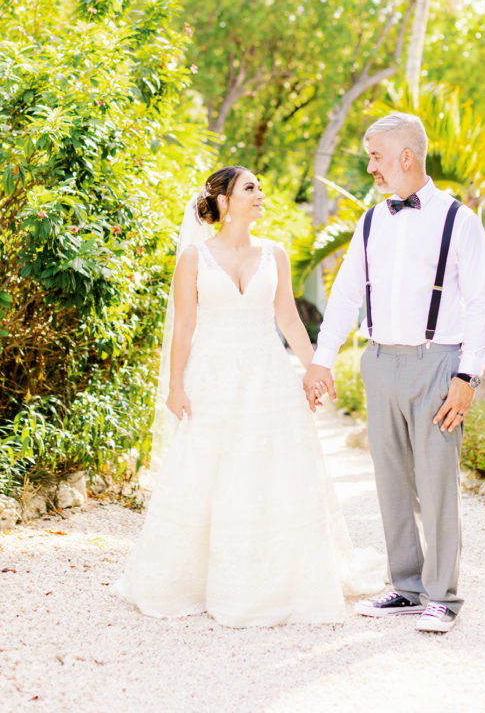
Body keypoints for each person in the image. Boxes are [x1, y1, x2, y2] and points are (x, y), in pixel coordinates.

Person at [115, 165, 383, 627]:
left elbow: (289, 320)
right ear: (223, 200)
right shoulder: (194, 259)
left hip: (268, 377)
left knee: (273, 474)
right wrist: (176, 386)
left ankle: (277, 579)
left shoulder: (275, 254)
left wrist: (315, 367)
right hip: (213, 380)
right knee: (209, 477)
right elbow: (184, 327)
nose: (261, 194)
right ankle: (203, 580)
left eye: (260, 185)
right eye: (250, 187)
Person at [304, 113, 485, 634]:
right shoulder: (371, 221)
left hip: (438, 363)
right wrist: (322, 357)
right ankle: (407, 588)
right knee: (390, 479)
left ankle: (444, 597)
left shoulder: (460, 221)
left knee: (436, 483)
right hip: (380, 361)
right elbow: (345, 296)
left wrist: (467, 376)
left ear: (405, 157)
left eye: (375, 156)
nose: (370, 166)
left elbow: (482, 305)